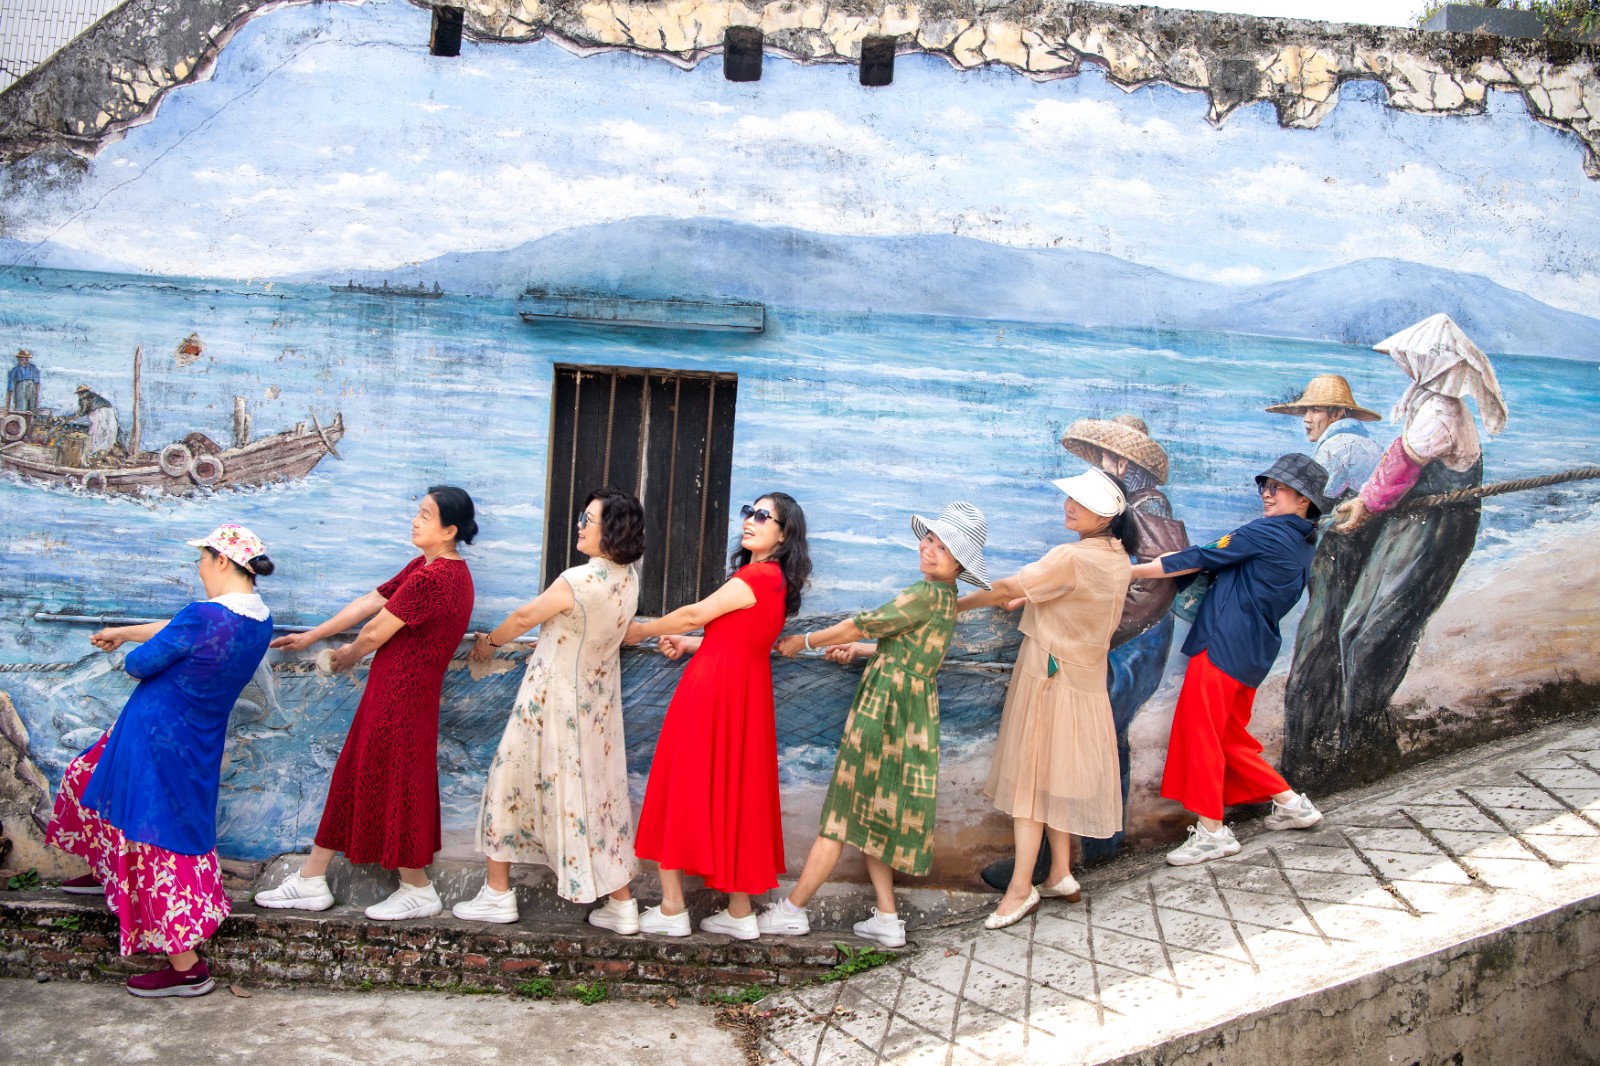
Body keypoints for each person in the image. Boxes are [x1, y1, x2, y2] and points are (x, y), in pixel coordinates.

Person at [44, 524, 276, 997]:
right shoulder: (258, 619)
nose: (198, 568)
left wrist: (131, 647)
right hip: (193, 738)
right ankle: (108, 869)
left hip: (156, 737)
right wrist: (123, 632)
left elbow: (140, 664)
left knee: (155, 841)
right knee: (87, 774)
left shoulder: (203, 615)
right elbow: (181, 634)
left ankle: (187, 968)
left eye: (202, 559)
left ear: (221, 561)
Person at [1286, 315, 1506, 788]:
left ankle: (1364, 746)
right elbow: (1394, 466)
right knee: (1352, 630)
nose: (1407, 364)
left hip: (1436, 532)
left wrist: (1364, 504)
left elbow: (1401, 467)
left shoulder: (1442, 412)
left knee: (1373, 637)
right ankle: (1350, 738)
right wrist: (1366, 503)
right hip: (1409, 525)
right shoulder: (1427, 403)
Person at [761, 502, 991, 947]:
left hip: (885, 710)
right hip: (911, 714)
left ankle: (792, 910)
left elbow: (861, 624)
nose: (929, 549)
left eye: (943, 548)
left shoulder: (924, 594)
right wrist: (863, 651)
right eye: (930, 539)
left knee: (842, 811)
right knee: (871, 810)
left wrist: (804, 640)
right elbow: (906, 648)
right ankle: (887, 917)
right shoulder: (945, 599)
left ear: (960, 564)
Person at [254, 487, 477, 919]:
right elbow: (370, 602)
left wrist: (343, 658)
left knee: (396, 780)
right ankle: (312, 878)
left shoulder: (436, 578)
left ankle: (417, 887)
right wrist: (313, 635)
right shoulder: (425, 567)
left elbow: (375, 631)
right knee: (357, 772)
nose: (415, 520)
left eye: (425, 515)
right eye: (418, 512)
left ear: (449, 530)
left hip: (403, 695)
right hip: (394, 690)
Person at [983, 414, 1184, 890]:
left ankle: (1071, 855)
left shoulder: (1148, 506)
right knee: (1092, 741)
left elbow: (1159, 581)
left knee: (1086, 742)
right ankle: (1083, 852)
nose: (1095, 467)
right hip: (1126, 640)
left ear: (1123, 462)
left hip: (1133, 643)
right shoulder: (1131, 506)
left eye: (1102, 458)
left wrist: (1097, 631)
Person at [454, 488, 646, 929]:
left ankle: (497, 894)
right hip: (596, 708)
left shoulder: (578, 580)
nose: (579, 525)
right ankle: (622, 903)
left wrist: (489, 643)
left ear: (611, 529)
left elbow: (524, 617)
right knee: (598, 798)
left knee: (507, 780)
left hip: (550, 699)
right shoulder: (628, 578)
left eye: (587, 519)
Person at [624, 492, 811, 940]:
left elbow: (694, 613)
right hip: (745, 692)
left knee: (678, 783)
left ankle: (672, 907)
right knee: (737, 793)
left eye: (763, 516)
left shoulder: (755, 575)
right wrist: (692, 644)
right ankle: (740, 910)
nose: (750, 520)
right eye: (749, 512)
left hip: (712, 690)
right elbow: (741, 637)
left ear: (783, 534)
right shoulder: (777, 582)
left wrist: (639, 630)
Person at [1130, 455, 1329, 866]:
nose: (1267, 494)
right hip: (1254, 649)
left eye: (1278, 487)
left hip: (1223, 644)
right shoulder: (1304, 543)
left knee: (1200, 733)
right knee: (1227, 737)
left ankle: (1212, 833)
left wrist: (1128, 573)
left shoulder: (1267, 531)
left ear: (1304, 500)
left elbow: (1198, 557)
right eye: (1265, 486)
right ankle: (1292, 804)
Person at [958, 469, 1133, 929]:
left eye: (1081, 502)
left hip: (1049, 678)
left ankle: (1020, 889)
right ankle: (1060, 872)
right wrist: (1030, 599)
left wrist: (950, 604)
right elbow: (1076, 596)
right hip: (1085, 681)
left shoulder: (1071, 556)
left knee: (1031, 785)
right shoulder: (1118, 557)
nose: (1069, 506)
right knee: (1060, 778)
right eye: (1071, 498)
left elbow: (1006, 588)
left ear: (1105, 516)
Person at [1264, 375, 1384, 498]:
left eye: (1315, 410)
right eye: (1306, 411)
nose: (1306, 419)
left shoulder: (1334, 448)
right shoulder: (1370, 444)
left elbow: (1312, 498)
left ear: (1337, 413)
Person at [74, 384, 119, 456]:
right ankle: (106, 451)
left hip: (98, 413)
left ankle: (94, 452)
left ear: (80, 393)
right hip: (110, 411)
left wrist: (76, 416)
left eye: (78, 393)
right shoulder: (95, 396)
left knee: (96, 433)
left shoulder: (83, 398)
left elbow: (83, 411)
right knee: (109, 432)